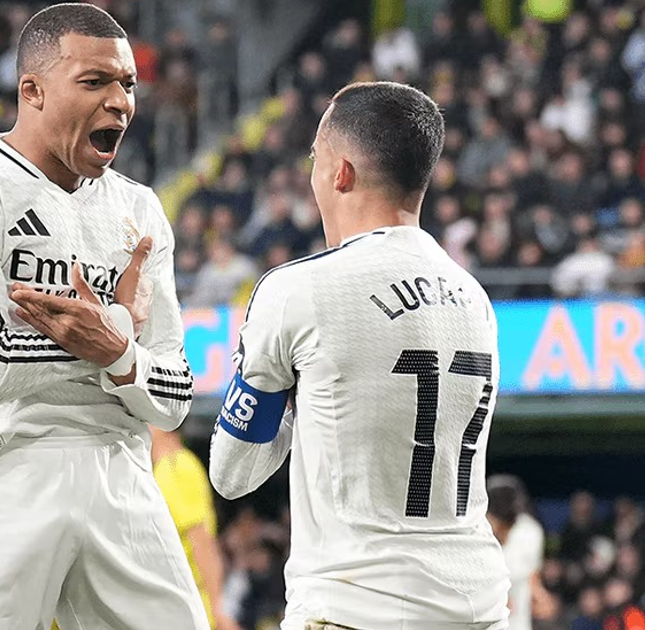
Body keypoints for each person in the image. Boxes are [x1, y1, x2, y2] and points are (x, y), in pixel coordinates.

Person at [0, 4, 207, 629]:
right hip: (3, 466)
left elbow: (175, 395)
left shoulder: (140, 210)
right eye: (95, 82)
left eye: (127, 84)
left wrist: (116, 351)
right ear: (33, 91)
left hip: (122, 475)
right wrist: (117, 342)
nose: (120, 101)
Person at [208, 81, 510, 629]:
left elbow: (233, 473)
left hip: (355, 606)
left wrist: (296, 398)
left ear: (340, 172)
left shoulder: (297, 290)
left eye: (314, 158)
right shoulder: (475, 297)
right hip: (480, 604)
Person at [151, 426, 241, 630]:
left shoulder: (176, 466)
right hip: (179, 608)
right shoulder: (169, 467)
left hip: (190, 611)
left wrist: (218, 608)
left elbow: (201, 541)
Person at [487, 475, 545, 630]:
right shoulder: (479, 530)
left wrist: (540, 596)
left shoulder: (529, 531)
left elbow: (532, 574)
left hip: (516, 618)